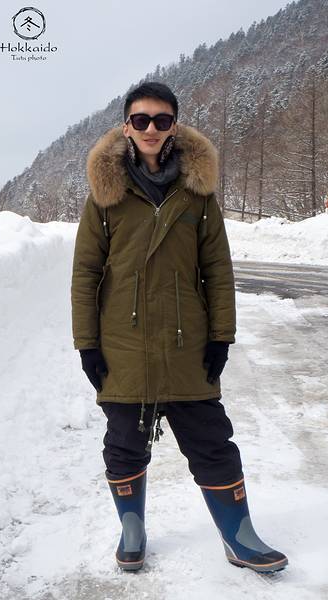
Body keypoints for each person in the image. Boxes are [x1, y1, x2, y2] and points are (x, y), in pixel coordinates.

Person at [70, 81, 288, 573]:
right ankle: (132, 529)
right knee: (123, 443)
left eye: (162, 120)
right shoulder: (105, 195)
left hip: (187, 342)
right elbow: (86, 273)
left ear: (174, 126)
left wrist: (221, 336)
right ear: (127, 126)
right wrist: (87, 344)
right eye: (141, 119)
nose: (151, 128)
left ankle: (240, 535)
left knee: (212, 440)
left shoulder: (197, 192)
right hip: (124, 343)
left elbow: (218, 268)